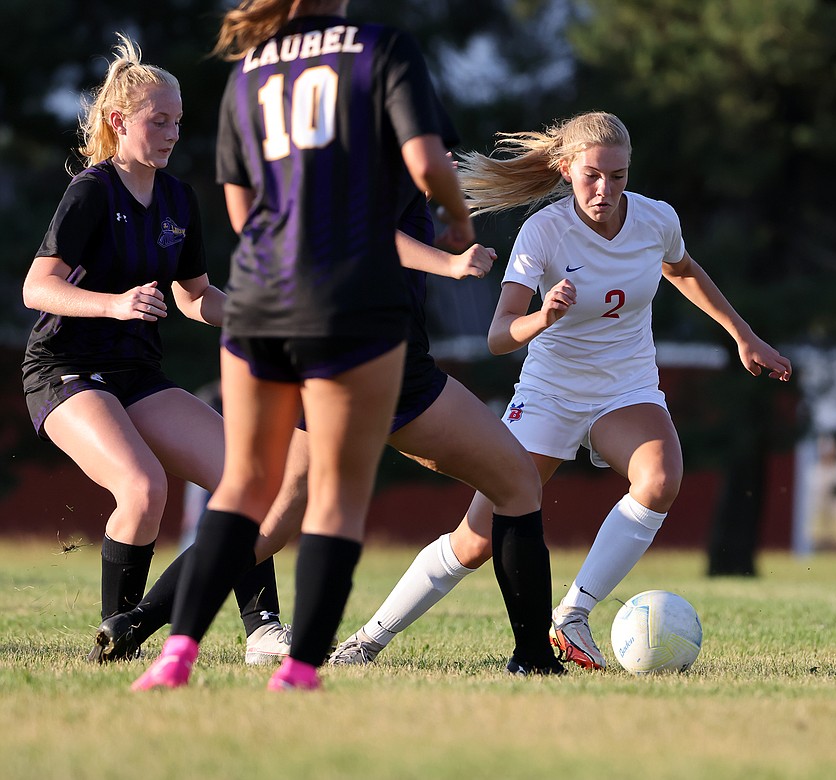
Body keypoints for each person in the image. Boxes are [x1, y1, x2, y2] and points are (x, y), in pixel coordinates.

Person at [132, 0, 530, 693]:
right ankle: (298, 670)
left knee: (244, 489)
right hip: (350, 305)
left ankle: (176, 655)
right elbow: (426, 164)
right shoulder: (381, 50)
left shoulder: (251, 68)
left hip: (261, 296)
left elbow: (240, 209)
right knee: (337, 497)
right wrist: (457, 225)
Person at [330, 110, 792, 671]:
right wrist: (544, 316)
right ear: (567, 169)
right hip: (549, 394)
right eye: (592, 176)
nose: (605, 190)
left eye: (618, 176)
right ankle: (367, 641)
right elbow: (499, 335)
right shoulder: (543, 231)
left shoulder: (656, 219)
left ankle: (572, 615)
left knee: (660, 479)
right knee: (476, 540)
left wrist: (744, 336)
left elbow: (683, 269)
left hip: (626, 387)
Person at [20, 33, 289, 665]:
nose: (172, 133)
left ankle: (263, 631)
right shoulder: (92, 191)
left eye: (178, 121)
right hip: (65, 369)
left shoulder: (176, 198)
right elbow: (37, 288)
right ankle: (117, 640)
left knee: (246, 481)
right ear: (119, 122)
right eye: (158, 120)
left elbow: (195, 297)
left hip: (136, 371)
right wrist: (114, 304)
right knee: (143, 489)